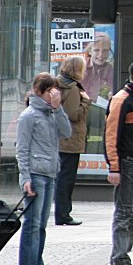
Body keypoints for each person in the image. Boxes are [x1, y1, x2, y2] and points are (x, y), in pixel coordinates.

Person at [16, 73, 72, 265]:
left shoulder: (51, 113)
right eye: (50, 90)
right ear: (39, 92)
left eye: (55, 90)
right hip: (36, 174)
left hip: (50, 172)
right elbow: (22, 149)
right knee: (32, 223)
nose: (54, 94)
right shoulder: (29, 115)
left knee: (41, 225)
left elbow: (67, 132)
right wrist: (25, 177)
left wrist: (58, 109)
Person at [105, 59, 133, 265]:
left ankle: (123, 257)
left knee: (132, 212)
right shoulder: (122, 100)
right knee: (125, 212)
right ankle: (119, 259)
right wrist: (114, 167)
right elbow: (111, 136)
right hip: (128, 163)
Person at [55, 56, 91, 225]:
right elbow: (74, 114)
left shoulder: (59, 83)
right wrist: (86, 101)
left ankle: (61, 213)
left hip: (61, 138)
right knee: (66, 179)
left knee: (62, 177)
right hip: (70, 139)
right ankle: (63, 214)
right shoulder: (73, 88)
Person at [82, 32, 115, 101]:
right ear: (90, 51)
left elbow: (113, 88)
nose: (101, 55)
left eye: (105, 50)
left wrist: (111, 93)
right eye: (96, 50)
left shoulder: (109, 69)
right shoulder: (81, 66)